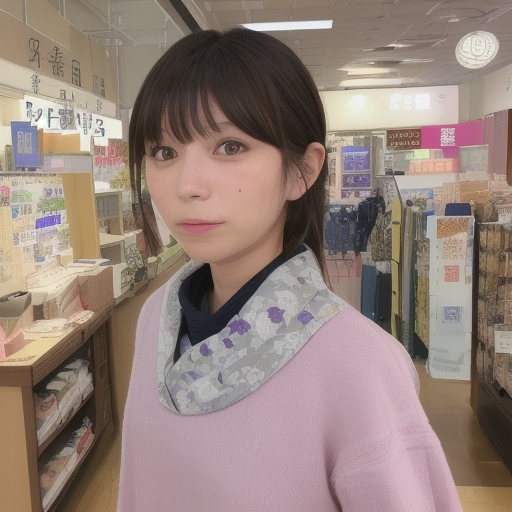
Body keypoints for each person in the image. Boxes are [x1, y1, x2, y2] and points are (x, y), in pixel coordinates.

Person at [118, 28, 462, 512]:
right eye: (164, 152)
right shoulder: (157, 317)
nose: (187, 185)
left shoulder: (360, 366)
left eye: (230, 146)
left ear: (303, 170)